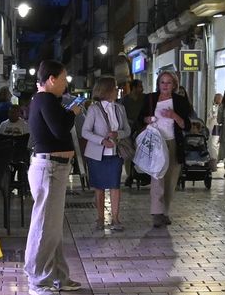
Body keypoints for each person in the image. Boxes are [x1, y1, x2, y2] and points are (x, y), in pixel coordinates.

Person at [25, 59, 85, 295]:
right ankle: (37, 278)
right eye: (63, 78)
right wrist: (72, 112)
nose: (65, 83)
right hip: (49, 168)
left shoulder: (46, 100)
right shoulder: (45, 100)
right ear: (51, 79)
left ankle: (59, 275)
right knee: (44, 227)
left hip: (54, 168)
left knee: (53, 227)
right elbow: (60, 129)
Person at [140, 70, 195, 228]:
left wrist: (174, 116)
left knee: (171, 180)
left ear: (174, 85)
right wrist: (147, 119)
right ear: (158, 84)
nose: (165, 85)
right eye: (162, 82)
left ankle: (165, 211)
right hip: (156, 143)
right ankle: (156, 213)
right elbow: (139, 119)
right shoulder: (150, 98)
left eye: (168, 82)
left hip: (173, 143)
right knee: (157, 178)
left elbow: (187, 125)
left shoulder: (180, 101)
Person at [81, 75, 129, 232]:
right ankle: (100, 218)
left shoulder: (120, 108)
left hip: (116, 153)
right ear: (107, 90)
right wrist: (102, 140)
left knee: (115, 185)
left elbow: (127, 130)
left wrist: (118, 134)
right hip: (97, 154)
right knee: (99, 187)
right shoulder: (94, 109)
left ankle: (116, 219)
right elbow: (85, 132)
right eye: (115, 88)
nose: (117, 90)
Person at [121, 79, 147, 186]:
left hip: (142, 128)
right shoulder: (125, 100)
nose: (142, 89)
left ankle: (143, 174)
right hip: (129, 129)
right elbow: (122, 115)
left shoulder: (144, 99)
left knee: (143, 152)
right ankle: (129, 175)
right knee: (129, 153)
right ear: (134, 88)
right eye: (140, 86)